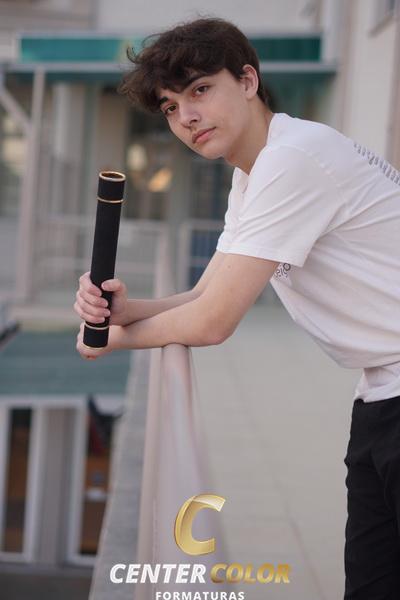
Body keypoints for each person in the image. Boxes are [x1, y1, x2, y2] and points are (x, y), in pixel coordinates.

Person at [73, 17, 400, 599]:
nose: (186, 117)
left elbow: (212, 323)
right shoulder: (254, 172)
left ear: (248, 81)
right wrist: (127, 311)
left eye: (200, 90)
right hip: (379, 393)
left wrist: (110, 341)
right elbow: (206, 293)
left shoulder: (293, 159)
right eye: (171, 107)